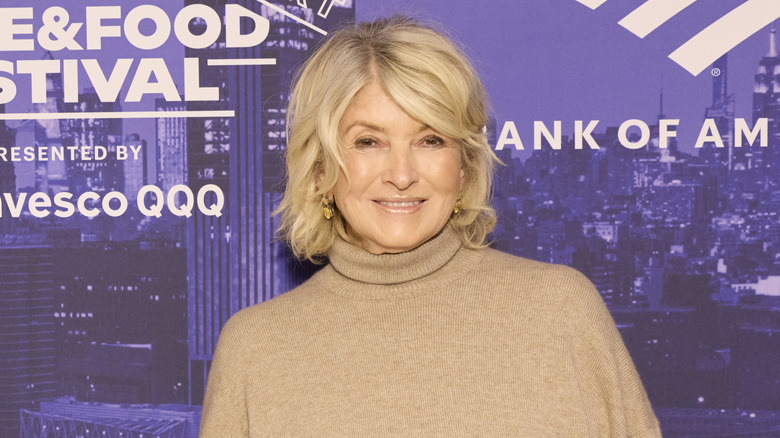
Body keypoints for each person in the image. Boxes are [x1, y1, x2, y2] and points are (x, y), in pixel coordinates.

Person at [199, 15, 662, 437]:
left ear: (463, 167)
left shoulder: (560, 311)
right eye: (368, 141)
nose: (401, 174)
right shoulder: (255, 348)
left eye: (430, 139)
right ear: (320, 171)